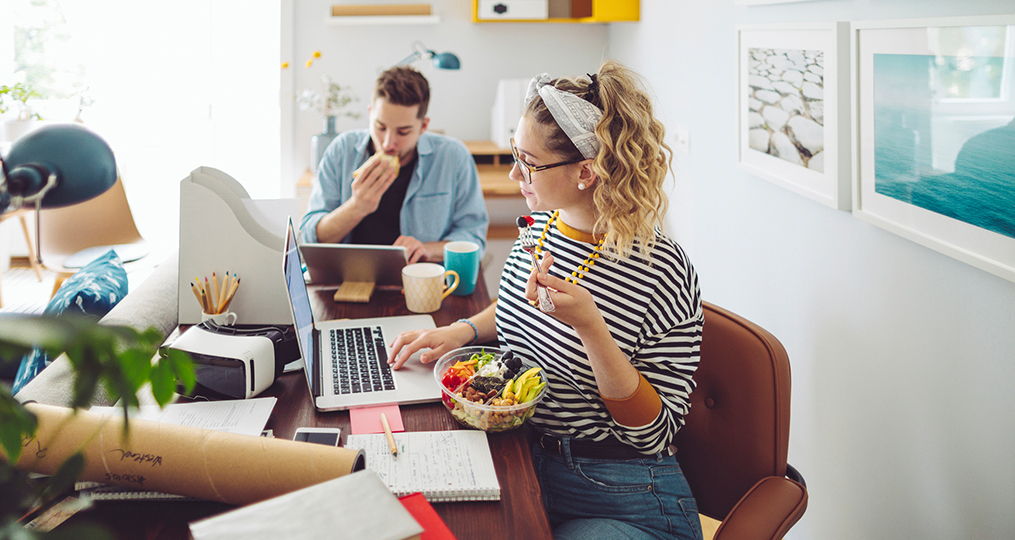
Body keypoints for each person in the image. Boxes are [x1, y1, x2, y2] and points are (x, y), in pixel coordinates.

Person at [389, 60, 704, 540]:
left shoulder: (661, 268)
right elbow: (518, 308)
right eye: (516, 154)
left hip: (622, 491)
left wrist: (591, 327)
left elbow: (653, 433)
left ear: (586, 171)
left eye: (529, 163)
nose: (516, 172)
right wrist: (459, 331)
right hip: (530, 457)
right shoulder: (542, 226)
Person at [299, 66, 488, 263]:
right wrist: (356, 207)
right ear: (370, 113)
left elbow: (474, 238)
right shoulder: (341, 150)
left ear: (423, 126)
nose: (388, 143)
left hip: (424, 280)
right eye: (380, 127)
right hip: (350, 280)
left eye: (403, 132)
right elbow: (310, 238)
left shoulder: (454, 157)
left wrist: (427, 249)